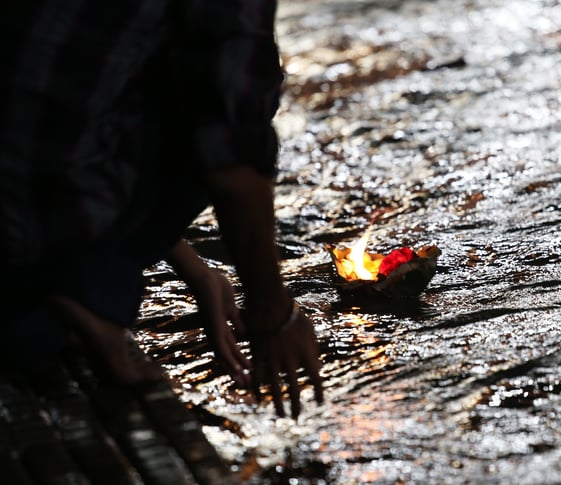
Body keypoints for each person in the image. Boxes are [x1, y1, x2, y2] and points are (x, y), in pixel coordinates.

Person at [0, 0, 323, 419]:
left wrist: (197, 271)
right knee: (244, 88)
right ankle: (79, 294)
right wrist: (273, 314)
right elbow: (233, 158)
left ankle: (68, 285)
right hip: (24, 239)